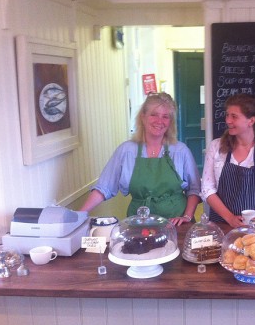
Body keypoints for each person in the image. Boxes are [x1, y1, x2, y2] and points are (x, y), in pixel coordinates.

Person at [80, 92, 201, 226]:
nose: (159, 121)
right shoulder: (126, 151)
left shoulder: (180, 151)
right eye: (154, 115)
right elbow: (104, 187)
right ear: (143, 117)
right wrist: (80, 215)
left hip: (176, 224)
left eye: (165, 117)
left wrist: (187, 217)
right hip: (139, 224)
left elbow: (194, 189)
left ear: (170, 122)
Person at [201, 94, 255, 228]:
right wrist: (230, 218)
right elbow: (207, 189)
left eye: (234, 116)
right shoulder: (216, 147)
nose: (228, 120)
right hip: (221, 224)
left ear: (251, 121)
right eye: (227, 115)